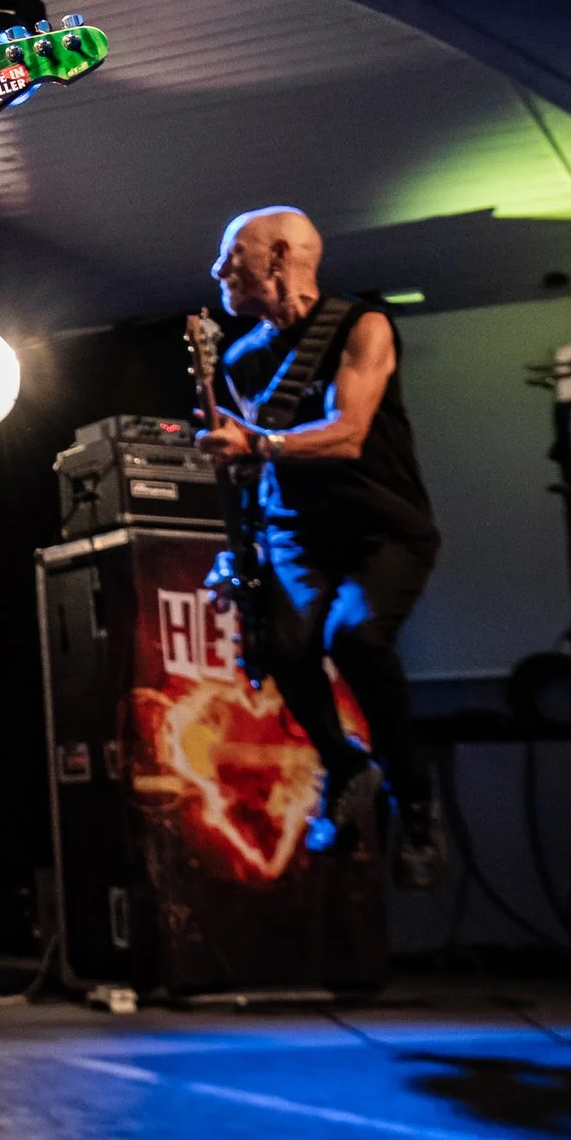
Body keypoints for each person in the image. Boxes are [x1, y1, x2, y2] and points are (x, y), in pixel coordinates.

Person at [197, 206, 447, 889]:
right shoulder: (246, 360)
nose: (221, 270)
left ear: (279, 257)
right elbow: (254, 469)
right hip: (297, 533)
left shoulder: (360, 326)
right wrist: (238, 554)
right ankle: (345, 766)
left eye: (234, 254)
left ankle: (416, 805)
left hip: (381, 529)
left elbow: (349, 431)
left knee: (357, 637)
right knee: (280, 646)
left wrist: (261, 443)